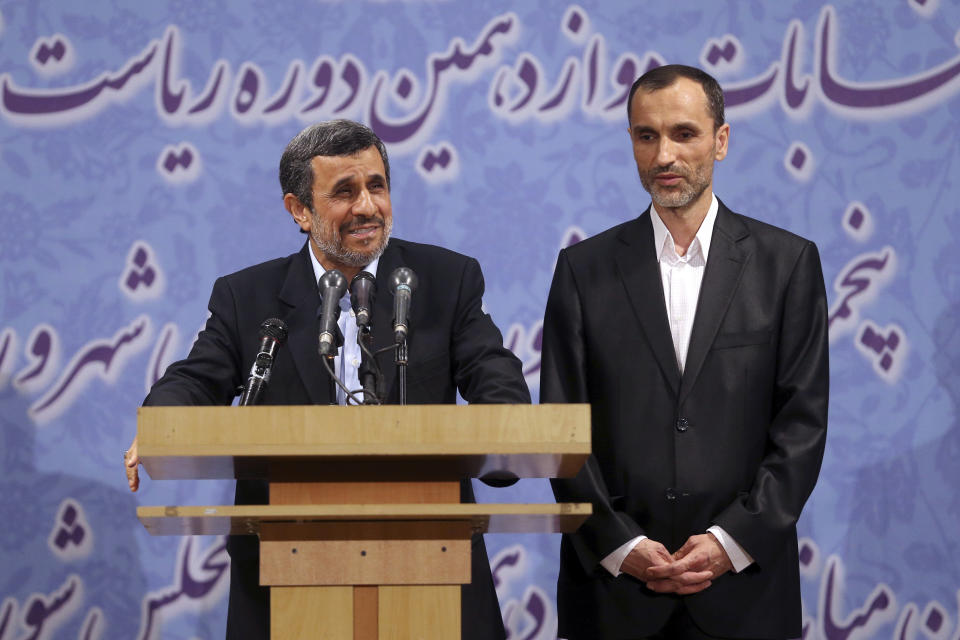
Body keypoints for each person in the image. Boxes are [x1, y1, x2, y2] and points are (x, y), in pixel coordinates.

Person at [125, 119, 530, 640]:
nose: (367, 207)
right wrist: (160, 424)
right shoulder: (248, 296)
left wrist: (506, 430)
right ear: (299, 210)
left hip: (430, 560)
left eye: (376, 186)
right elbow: (195, 378)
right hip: (285, 567)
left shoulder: (445, 280)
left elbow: (492, 372)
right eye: (344, 192)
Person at [541, 65, 829, 639]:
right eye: (647, 136)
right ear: (631, 143)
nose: (664, 155)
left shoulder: (787, 264)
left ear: (720, 141)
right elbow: (561, 430)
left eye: (684, 134)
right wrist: (620, 544)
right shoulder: (583, 270)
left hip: (744, 594)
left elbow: (801, 429)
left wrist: (730, 543)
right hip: (615, 594)